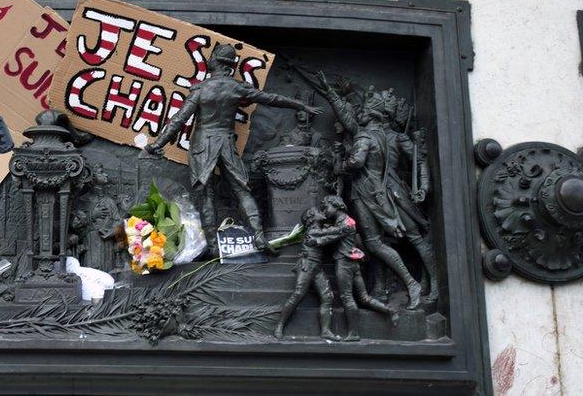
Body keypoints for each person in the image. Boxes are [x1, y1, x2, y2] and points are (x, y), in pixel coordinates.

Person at [142, 43, 322, 254]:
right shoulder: (236, 87)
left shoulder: (201, 89)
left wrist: (157, 144)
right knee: (242, 191)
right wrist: (301, 105)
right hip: (226, 142)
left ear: (215, 62)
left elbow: (179, 120)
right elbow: (272, 98)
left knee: (206, 195)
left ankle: (211, 246)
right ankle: (258, 237)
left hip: (203, 145)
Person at [317, 75, 436, 309]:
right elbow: (346, 116)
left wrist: (423, 186)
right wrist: (330, 92)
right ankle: (381, 289)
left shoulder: (383, 137)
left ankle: (426, 282)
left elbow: (418, 159)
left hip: (390, 193)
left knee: (407, 238)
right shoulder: (372, 134)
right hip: (374, 190)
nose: (360, 112)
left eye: (364, 109)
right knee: (379, 241)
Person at [308, 195, 399, 341]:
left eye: (326, 207)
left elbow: (332, 236)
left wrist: (316, 240)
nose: (325, 211)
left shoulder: (345, 223)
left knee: (347, 297)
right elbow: (334, 231)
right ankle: (390, 310)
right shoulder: (344, 221)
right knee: (364, 298)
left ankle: (354, 333)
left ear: (336, 205)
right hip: (353, 264)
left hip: (344, 264)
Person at [274, 205, 339, 341]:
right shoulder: (314, 231)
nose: (322, 212)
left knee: (327, 297)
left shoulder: (320, 229)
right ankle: (279, 326)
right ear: (311, 219)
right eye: (318, 212)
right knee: (298, 294)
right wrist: (345, 228)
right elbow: (331, 236)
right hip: (307, 266)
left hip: (317, 268)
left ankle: (326, 331)